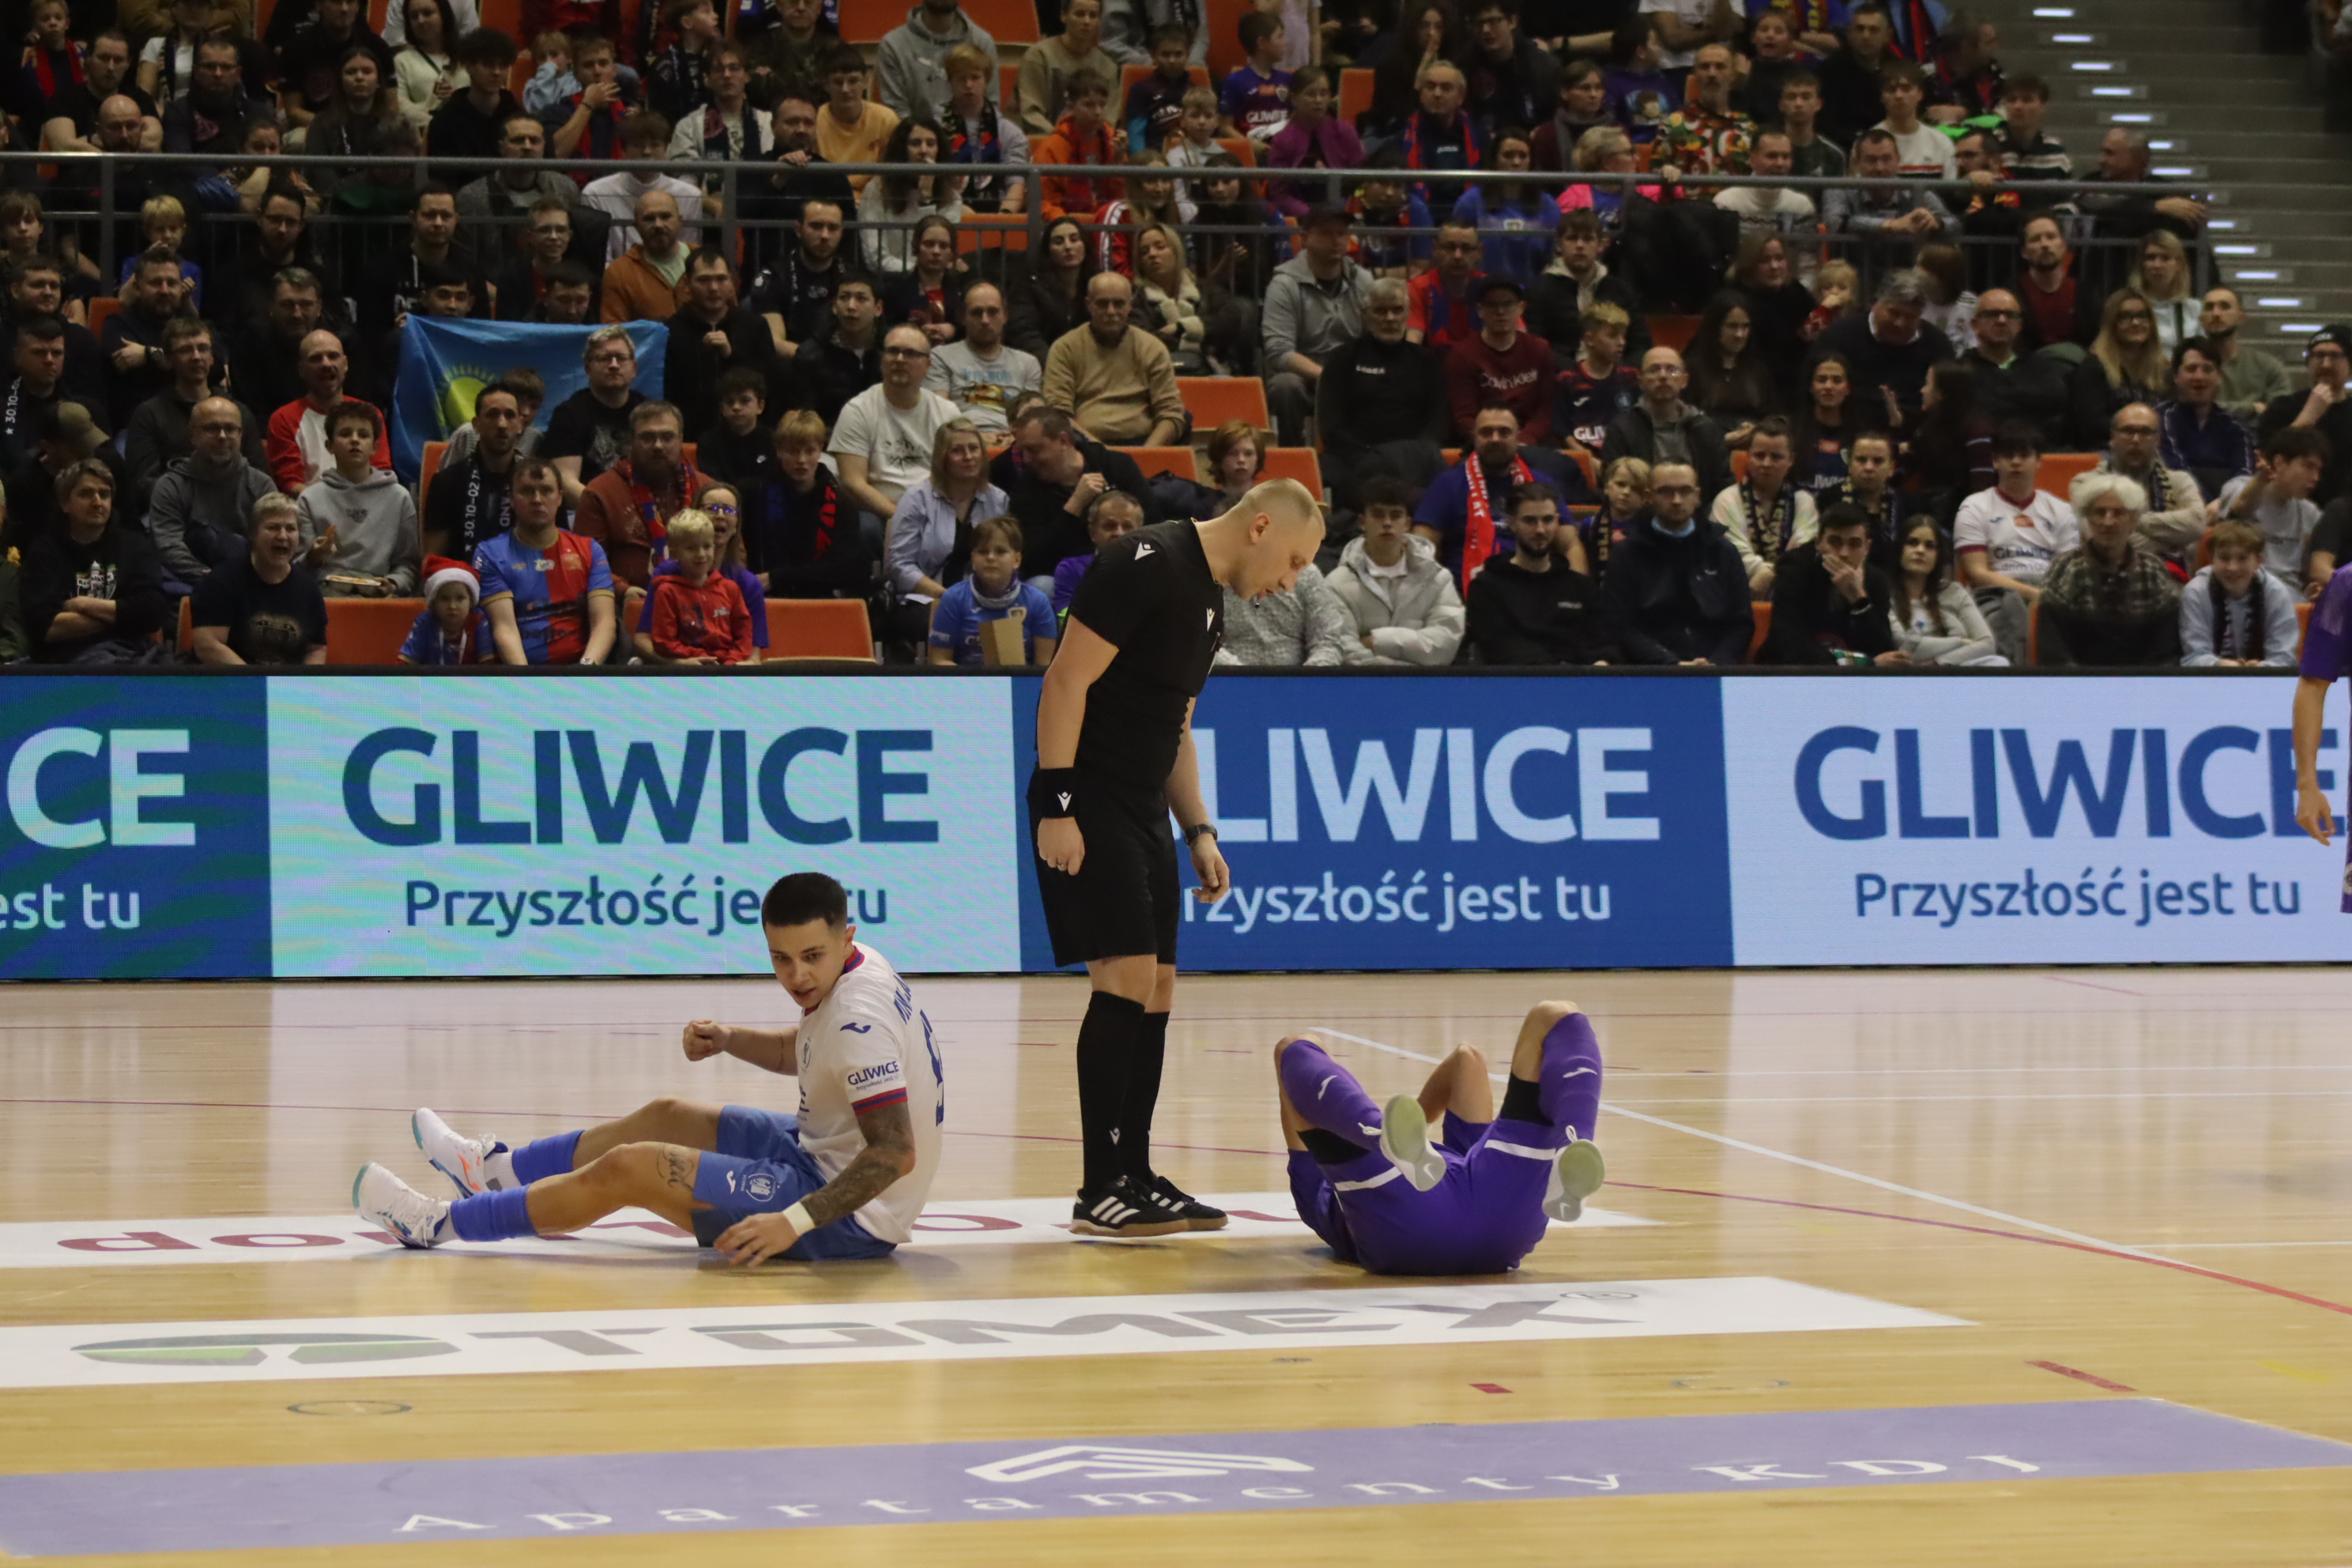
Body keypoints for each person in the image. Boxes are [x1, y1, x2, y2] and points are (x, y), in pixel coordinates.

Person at [359, 873, 942, 1267]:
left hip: (852, 1217)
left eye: (811, 957)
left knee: (630, 1168)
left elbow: (894, 1153)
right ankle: (493, 1173)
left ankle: (436, 1224)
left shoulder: (857, 1021)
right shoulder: (859, 965)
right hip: (822, 1151)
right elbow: (808, 1053)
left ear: (845, 937)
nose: (797, 976)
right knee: (667, 1115)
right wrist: (730, 1040)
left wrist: (792, 1221)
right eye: (781, 959)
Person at [1030, 477, 1322, 1234]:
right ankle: (1099, 1187)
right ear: (1261, 527)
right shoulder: (1145, 561)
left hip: (1143, 810)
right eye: (1294, 562)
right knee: (1124, 978)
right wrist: (1058, 805)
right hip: (1089, 796)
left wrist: (1199, 830)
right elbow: (1066, 680)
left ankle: (1134, 1170)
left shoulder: (1210, 600)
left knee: (1157, 988)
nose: (1291, 582)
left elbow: (1176, 726)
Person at [1274, 999, 1606, 1275]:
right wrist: (1417, 1125)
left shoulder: (1312, 1191)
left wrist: (1411, 1134)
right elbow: (1466, 1061)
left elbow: (1301, 1112)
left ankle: (1382, 1136)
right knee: (1556, 1015)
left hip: (1405, 1233)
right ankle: (1574, 1141)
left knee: (1293, 1049)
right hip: (1504, 1230)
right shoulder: (1465, 1167)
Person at [1317, 277, 1449, 511]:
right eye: (1381, 311)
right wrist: (1372, 459)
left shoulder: (1426, 362)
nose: (1390, 318)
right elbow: (1331, 425)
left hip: (1415, 464)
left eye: (1397, 310)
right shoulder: (1343, 359)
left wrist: (1412, 456)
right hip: (1358, 465)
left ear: (1408, 313)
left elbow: (1439, 420)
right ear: (1365, 314)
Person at [1606, 458, 1752, 664]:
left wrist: (1717, 663)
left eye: (1685, 491)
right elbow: (1621, 626)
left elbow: (1741, 623)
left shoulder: (1723, 551)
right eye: (1666, 492)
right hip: (1650, 671)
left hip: (1715, 669)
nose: (1677, 500)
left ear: (1698, 496)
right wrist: (1670, 664)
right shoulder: (1626, 554)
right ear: (1649, 497)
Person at [21, 460, 166, 665]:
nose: (97, 502)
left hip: (132, 657)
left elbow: (153, 611)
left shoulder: (135, 545)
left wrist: (84, 604)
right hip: (65, 665)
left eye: (104, 494)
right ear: (65, 503)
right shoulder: (44, 551)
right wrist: (125, 616)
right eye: (86, 494)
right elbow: (45, 627)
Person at [1953, 420, 2075, 662]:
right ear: (1995, 461)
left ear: (2039, 461)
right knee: (2011, 611)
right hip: (1995, 594)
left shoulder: (2061, 510)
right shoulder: (1974, 506)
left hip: (2049, 592)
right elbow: (1977, 573)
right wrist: (2032, 594)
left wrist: (2044, 596)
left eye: (2024, 455)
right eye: (2008, 456)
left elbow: (2068, 571)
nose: (2016, 462)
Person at [476, 455, 616, 664]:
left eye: (546, 490)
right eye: (527, 491)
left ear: (560, 498)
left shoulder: (590, 550)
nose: (537, 499)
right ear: (511, 499)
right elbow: (504, 629)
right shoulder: (490, 554)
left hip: (582, 671)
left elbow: (604, 623)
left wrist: (585, 672)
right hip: (520, 675)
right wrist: (526, 681)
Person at [882, 416, 1007, 644]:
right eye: (958, 451)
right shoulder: (917, 499)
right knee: (952, 622)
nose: (968, 456)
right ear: (943, 458)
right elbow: (899, 566)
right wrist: (948, 597)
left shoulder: (998, 500)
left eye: (974, 448)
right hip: (924, 598)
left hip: (983, 598)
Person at [831, 323, 962, 540]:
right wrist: (902, 515)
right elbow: (852, 483)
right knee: (863, 527)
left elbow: (959, 475)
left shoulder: (948, 413)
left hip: (936, 509)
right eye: (892, 351)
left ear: (928, 365)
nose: (900, 359)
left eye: (910, 354)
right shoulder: (858, 410)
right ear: (882, 360)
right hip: (879, 511)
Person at [2037, 470, 2180, 667]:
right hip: (2078, 681)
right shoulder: (2065, 568)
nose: (2108, 522)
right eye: (2099, 513)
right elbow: (2054, 651)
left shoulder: (2153, 571)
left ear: (2133, 520)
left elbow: (2165, 651)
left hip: (2142, 681)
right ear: (2087, 518)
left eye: (2118, 513)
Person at [125, 318, 265, 519]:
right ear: (169, 359)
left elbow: (259, 473)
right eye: (185, 350)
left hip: (234, 512)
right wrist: (197, 501)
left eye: (203, 348)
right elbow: (144, 483)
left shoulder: (237, 411)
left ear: (212, 358)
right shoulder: (149, 414)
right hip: (175, 512)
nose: (196, 357)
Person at [1464, 480, 1613, 665]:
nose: (1540, 530)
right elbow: (1500, 646)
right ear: (1512, 523)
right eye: (1530, 521)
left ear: (1558, 521)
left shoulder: (1581, 587)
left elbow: (1604, 641)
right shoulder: (1486, 587)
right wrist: (1555, 671)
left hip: (1582, 678)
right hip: (1518, 679)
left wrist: (1602, 663)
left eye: (1548, 520)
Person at [1263, 203, 1372, 446]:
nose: (1336, 240)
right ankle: (1293, 455)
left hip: (1352, 373)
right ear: (1304, 239)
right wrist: (1327, 376)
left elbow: (1374, 337)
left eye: (1341, 233)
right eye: (1326, 233)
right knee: (1285, 386)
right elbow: (1279, 351)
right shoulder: (1284, 285)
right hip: (1304, 377)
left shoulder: (1363, 280)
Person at [1326, 478, 1464, 665]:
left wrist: (1378, 640)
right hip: (1364, 682)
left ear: (1407, 524)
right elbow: (1343, 649)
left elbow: (1444, 644)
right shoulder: (1336, 584)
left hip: (1423, 683)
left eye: (1395, 516)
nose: (1387, 523)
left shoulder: (1438, 579)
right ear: (1363, 522)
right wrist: (1400, 671)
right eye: (1378, 515)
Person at [1043, 272, 1186, 447]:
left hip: (1143, 443)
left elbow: (1170, 412)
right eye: (1102, 304)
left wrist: (1148, 454)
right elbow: (1059, 414)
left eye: (1119, 304)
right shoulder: (1065, 348)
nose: (1111, 311)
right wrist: (1102, 453)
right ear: (1089, 305)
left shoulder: (1152, 348)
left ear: (1130, 306)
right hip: (1085, 447)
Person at [149, 398, 277, 594]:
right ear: (193, 435)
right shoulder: (171, 485)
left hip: (248, 580)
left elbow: (271, 542)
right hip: (190, 580)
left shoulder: (261, 485)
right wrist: (211, 578)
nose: (222, 436)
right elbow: (168, 545)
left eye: (231, 429)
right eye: (212, 428)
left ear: (241, 435)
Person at [190, 492, 331, 665]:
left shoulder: (309, 590)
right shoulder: (221, 581)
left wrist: (301, 682)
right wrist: (256, 680)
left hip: (287, 683)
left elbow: (316, 649)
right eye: (273, 528)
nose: (283, 536)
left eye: (291, 529)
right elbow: (208, 645)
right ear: (253, 535)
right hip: (229, 680)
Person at [296, 401, 420, 598]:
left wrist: (394, 583)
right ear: (330, 446)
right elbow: (295, 567)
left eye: (363, 435)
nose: (355, 440)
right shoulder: (309, 498)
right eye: (345, 434)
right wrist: (312, 557)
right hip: (326, 595)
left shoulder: (399, 497)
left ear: (375, 447)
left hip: (379, 598)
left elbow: (408, 564)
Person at [576, 400, 697, 594]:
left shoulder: (707, 490)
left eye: (667, 437)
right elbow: (585, 562)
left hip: (701, 599)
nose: (658, 446)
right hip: (627, 602)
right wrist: (622, 589)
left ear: (681, 440)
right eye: (647, 437)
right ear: (631, 441)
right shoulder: (600, 492)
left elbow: (733, 556)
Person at [1811, 266, 1955, 428]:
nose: (1900, 323)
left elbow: (1949, 404)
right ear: (1876, 304)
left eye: (1910, 317)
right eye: (1894, 313)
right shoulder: (1838, 337)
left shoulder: (1938, 345)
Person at [748, 409, 870, 599]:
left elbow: (844, 569)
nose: (802, 460)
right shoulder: (755, 494)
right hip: (765, 598)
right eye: (793, 451)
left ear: (821, 450)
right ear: (779, 450)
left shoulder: (842, 503)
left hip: (820, 600)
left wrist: (779, 578)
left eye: (810, 451)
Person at [1765, 502, 1905, 665]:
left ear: (1867, 548)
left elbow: (1885, 652)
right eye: (1835, 542)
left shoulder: (1876, 581)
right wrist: (1863, 663)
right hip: (1789, 674)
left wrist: (1859, 600)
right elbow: (1791, 647)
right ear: (1818, 542)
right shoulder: (1793, 572)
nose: (1844, 553)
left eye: (1854, 544)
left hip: (1854, 678)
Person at [662, 250, 780, 439]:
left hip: (748, 437)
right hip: (690, 436)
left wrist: (730, 356)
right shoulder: (670, 331)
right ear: (687, 284)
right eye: (704, 280)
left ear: (732, 282)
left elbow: (769, 385)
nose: (714, 288)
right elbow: (668, 393)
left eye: (721, 279)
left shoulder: (755, 326)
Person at [1601, 346, 1733, 503]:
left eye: (1672, 370)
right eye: (1654, 370)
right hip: (1640, 515)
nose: (1663, 376)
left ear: (1685, 380)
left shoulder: (1706, 429)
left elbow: (1722, 487)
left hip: (1699, 516)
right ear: (1640, 380)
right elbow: (1614, 488)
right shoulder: (1622, 430)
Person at [266, 329, 390, 495]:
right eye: (316, 358)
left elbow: (381, 472)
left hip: (366, 502)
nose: (326, 364)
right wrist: (329, 503)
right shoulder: (283, 419)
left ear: (345, 364)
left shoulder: (370, 414)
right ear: (302, 369)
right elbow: (289, 483)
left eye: (333, 356)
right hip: (309, 506)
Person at [926, 514, 1056, 664]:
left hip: (1020, 679)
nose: (991, 557)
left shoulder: (1038, 602)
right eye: (983, 552)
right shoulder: (953, 599)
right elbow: (939, 660)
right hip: (966, 678)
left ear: (1017, 560)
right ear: (973, 560)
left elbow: (1044, 667)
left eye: (1000, 552)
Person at [424, 379, 527, 560]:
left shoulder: (537, 485)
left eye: (510, 415)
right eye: (492, 415)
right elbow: (433, 559)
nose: (502, 424)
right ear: (476, 424)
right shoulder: (447, 482)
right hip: (462, 574)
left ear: (520, 425)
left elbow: (553, 551)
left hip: (522, 573)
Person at [1713, 415, 1817, 595]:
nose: (1766, 464)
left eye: (1776, 457)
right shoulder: (1727, 500)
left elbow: (1803, 553)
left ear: (1791, 460)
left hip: (1791, 594)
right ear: (1748, 456)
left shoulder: (1803, 501)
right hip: (1735, 593)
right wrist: (1763, 572)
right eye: (1759, 456)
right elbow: (1734, 554)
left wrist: (1769, 575)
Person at [541, 326, 646, 503]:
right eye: (605, 358)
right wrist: (610, 509)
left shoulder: (648, 412)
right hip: (589, 509)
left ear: (634, 368)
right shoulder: (569, 415)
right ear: (588, 369)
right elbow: (565, 481)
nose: (614, 365)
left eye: (621, 358)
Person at [1446, 274, 1554, 443]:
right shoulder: (1462, 355)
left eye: (1508, 304)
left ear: (1521, 308)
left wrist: (1525, 440)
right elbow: (1465, 417)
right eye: (1492, 305)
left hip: (1531, 444)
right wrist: (1494, 441)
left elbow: (1545, 410)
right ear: (1480, 310)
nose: (1500, 312)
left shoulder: (1540, 349)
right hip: (1484, 443)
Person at [2217, 428, 2329, 590]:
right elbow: (2238, 511)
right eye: (2308, 466)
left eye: (2318, 470)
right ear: (2279, 463)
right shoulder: (2240, 486)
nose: (2315, 477)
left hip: (2291, 594)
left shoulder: (2309, 512)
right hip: (2247, 586)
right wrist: (2260, 480)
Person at [2097, 401, 2206, 562]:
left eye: (2145, 432)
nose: (2136, 439)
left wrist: (2131, 521)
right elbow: (2099, 541)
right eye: (2128, 431)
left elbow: (2197, 525)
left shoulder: (2179, 481)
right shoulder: (2090, 483)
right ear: (2113, 437)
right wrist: (2172, 538)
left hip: (2172, 574)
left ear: (2157, 439)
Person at [2181, 519, 2298, 669]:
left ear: (2258, 561)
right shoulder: (2196, 592)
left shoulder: (2276, 592)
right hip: (2212, 677)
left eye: (2242, 558)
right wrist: (2223, 666)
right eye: (2224, 558)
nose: (2233, 568)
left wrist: (2262, 668)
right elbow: (2193, 656)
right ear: (2212, 560)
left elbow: (2284, 656)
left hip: (2264, 677)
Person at [2258, 325, 2352, 511]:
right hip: (2288, 507)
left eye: (2335, 356)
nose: (2326, 364)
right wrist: (2309, 415)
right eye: (2319, 356)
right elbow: (2270, 460)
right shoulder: (2283, 407)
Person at [1887, 516, 2003, 665]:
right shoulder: (1885, 594)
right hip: (1909, 673)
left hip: (1954, 669)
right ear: (1900, 549)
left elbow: (1987, 644)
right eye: (1913, 543)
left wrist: (1938, 663)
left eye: (1930, 546)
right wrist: (1961, 642)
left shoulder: (1955, 592)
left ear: (1938, 555)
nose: (1920, 550)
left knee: (1998, 662)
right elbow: (1904, 646)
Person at [1960, 287, 2067, 448]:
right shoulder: (1961, 369)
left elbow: (2055, 400)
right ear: (1975, 324)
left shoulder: (2039, 366)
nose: (2002, 321)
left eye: (2010, 315)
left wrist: (1995, 398)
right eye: (1993, 314)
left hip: (2035, 451)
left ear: (2019, 325)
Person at [858, 119, 964, 275]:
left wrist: (926, 199)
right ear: (902, 150)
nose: (924, 151)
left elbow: (938, 254)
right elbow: (874, 258)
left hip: (933, 279)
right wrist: (915, 272)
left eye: (931, 144)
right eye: (915, 143)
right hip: (888, 279)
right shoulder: (877, 190)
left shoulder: (952, 199)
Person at [2071, 288, 2170, 451]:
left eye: (2142, 316)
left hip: (2157, 450)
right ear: (2112, 324)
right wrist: (2139, 432)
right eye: (2125, 317)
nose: (2136, 323)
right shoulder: (2094, 367)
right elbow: (2092, 424)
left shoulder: (2164, 369)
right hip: (2108, 451)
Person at [1684, 288, 1780, 448]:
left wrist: (1757, 431)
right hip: (1705, 449)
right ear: (1715, 327)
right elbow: (1685, 422)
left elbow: (1772, 417)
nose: (1739, 335)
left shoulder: (1758, 370)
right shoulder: (1693, 369)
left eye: (1745, 327)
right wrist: (1721, 439)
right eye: (1732, 326)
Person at [876, 0, 995, 124]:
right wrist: (924, 135)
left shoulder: (981, 43)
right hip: (914, 135)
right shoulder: (894, 45)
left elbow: (990, 108)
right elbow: (896, 114)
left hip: (971, 134)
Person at [1395, 60, 1480, 219]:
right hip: (1419, 219)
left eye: (1446, 88)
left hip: (1468, 220)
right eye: (1430, 87)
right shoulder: (1402, 138)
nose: (1437, 94)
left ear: (1461, 96)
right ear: (1421, 95)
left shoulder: (1479, 136)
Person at [1020, 0, 1118, 137]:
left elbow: (1109, 117)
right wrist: (1062, 138)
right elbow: (1031, 113)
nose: (1087, 21)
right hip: (1048, 139)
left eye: (1093, 16)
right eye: (1079, 14)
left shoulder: (1108, 66)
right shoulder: (1039, 56)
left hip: (1091, 142)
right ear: (1064, 16)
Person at [2201, 287, 2292, 428]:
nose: (2216, 313)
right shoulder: (2190, 367)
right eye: (2209, 307)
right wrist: (2253, 409)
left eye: (2225, 307)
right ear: (2201, 319)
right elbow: (2196, 410)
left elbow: (2281, 415)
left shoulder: (2268, 366)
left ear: (2241, 317)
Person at [428, 27, 522, 163]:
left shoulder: (519, 117)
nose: (497, 72)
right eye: (487, 65)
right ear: (469, 66)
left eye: (503, 66)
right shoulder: (445, 121)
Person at [598, 187, 692, 324]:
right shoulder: (619, 273)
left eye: (666, 216)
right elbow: (613, 330)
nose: (658, 225)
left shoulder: (704, 261)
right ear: (636, 226)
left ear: (680, 220)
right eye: (649, 219)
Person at [2013, 213, 2101, 354]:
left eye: (2051, 237)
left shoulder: (2086, 294)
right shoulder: (2012, 295)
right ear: (2024, 252)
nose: (2045, 245)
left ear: (2063, 246)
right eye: (2036, 239)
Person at [1050, 487, 1144, 612]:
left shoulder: (1153, 568)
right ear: (1092, 532)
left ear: (1141, 533)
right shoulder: (1070, 569)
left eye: (1127, 527)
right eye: (1110, 526)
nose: (1119, 533)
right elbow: (1065, 618)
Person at [693, 367, 775, 496]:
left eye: (745, 401)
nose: (736, 407)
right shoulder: (709, 441)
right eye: (730, 402)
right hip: (723, 503)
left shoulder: (774, 440)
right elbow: (711, 485)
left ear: (760, 406)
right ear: (722, 408)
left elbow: (773, 482)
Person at [1216, 9, 1291, 144]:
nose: (1285, 43)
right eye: (1279, 37)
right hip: (1252, 150)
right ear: (1261, 43)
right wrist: (1250, 145)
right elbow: (1225, 127)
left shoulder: (1288, 80)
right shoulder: (1236, 81)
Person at [399, 556, 486, 665]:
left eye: (460, 598)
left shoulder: (480, 622)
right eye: (445, 599)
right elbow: (404, 665)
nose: (452, 606)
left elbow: (490, 668)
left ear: (471, 601)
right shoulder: (424, 622)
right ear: (433, 603)